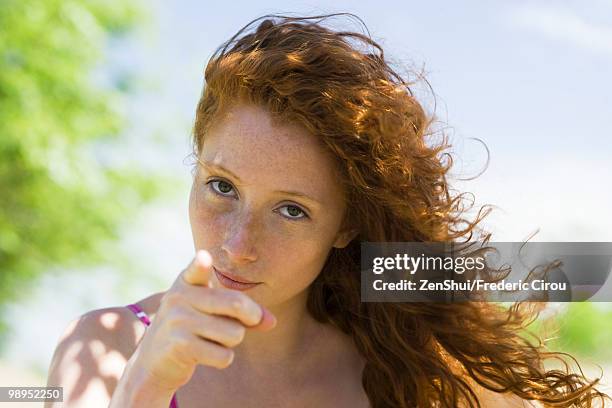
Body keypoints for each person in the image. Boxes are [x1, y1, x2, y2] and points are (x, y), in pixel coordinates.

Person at [45, 13, 610, 408]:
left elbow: (583, 269)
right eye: (222, 186)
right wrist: (144, 386)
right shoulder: (108, 346)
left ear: (346, 227)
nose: (238, 245)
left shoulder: (396, 365)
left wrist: (429, 278)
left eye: (291, 210)